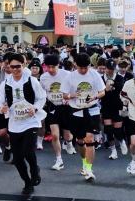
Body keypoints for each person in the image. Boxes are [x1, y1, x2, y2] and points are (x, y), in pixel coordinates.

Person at [0, 53, 47, 195]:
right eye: (12, 67)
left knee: (28, 151)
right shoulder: (5, 83)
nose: (15, 69)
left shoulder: (32, 81)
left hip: (31, 121)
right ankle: (27, 183)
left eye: (18, 66)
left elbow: (42, 98)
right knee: (17, 158)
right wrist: (1, 108)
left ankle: (34, 170)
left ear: (23, 65)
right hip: (14, 123)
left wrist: (35, 108)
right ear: (8, 67)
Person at [64, 53, 106, 182]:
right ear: (75, 65)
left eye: (85, 67)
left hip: (92, 110)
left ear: (89, 65)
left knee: (90, 139)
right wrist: (73, 95)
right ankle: (84, 162)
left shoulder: (94, 74)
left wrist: (95, 96)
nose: (83, 70)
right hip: (76, 110)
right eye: (80, 68)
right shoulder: (70, 76)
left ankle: (89, 169)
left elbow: (102, 92)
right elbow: (64, 95)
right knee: (80, 140)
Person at [40, 54, 75, 171]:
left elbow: (74, 90)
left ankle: (69, 143)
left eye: (53, 67)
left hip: (66, 107)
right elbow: (42, 93)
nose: (50, 69)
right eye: (48, 67)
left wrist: (69, 98)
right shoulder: (43, 77)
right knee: (55, 135)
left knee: (67, 135)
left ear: (58, 65)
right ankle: (59, 160)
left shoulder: (67, 75)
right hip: (53, 106)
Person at [99, 59, 128, 160]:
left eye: (112, 69)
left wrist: (111, 86)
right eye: (108, 68)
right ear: (105, 68)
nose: (110, 71)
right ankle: (113, 150)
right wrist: (106, 89)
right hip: (106, 107)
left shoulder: (119, 78)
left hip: (117, 106)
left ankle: (122, 141)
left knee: (118, 130)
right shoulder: (101, 79)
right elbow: (100, 91)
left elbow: (120, 88)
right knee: (108, 130)